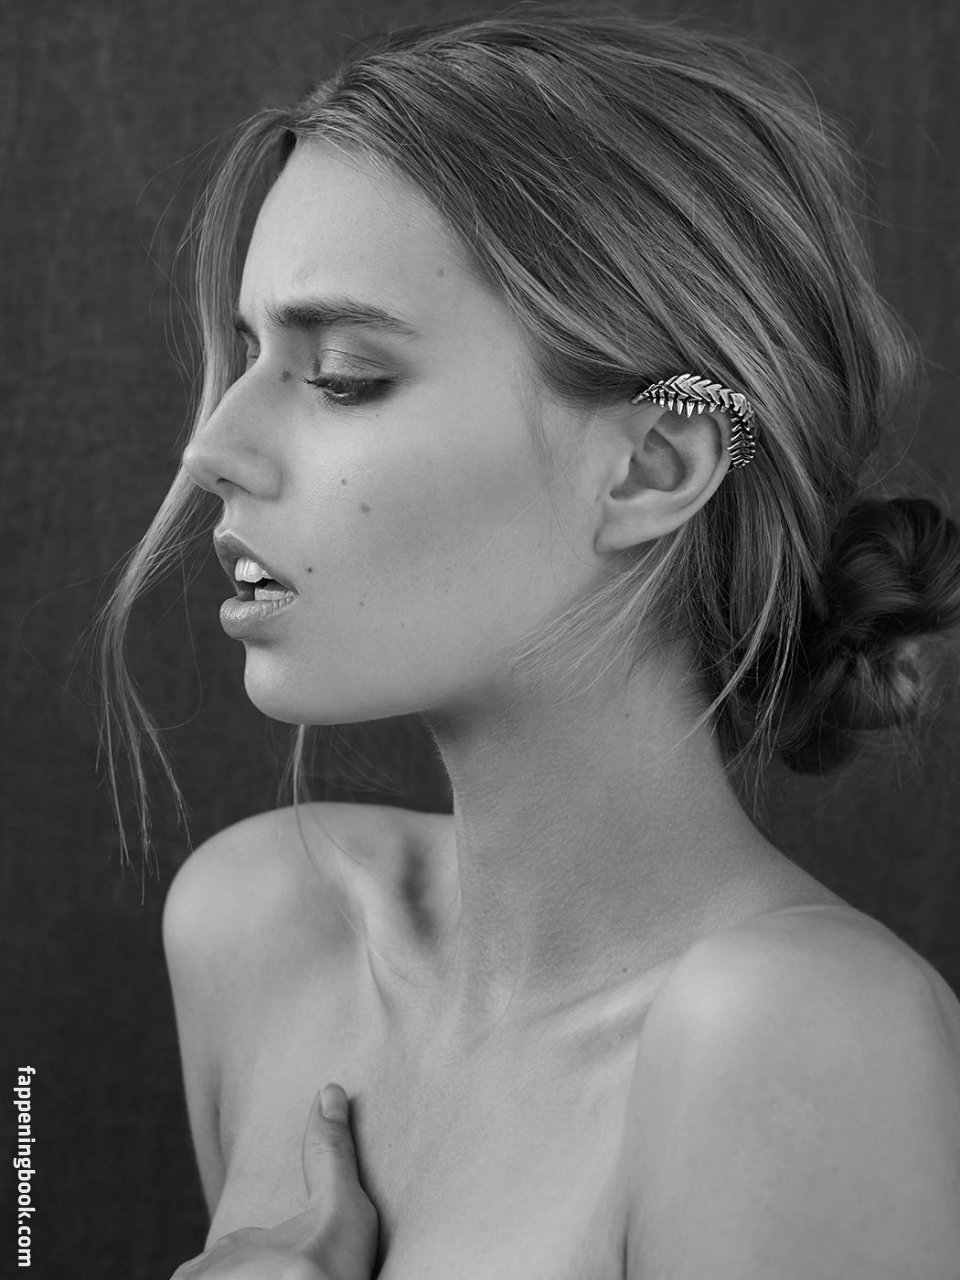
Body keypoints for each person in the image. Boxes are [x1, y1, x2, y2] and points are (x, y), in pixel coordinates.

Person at [96, 5, 960, 1277]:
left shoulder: (798, 1037)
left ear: (652, 466)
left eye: (342, 375)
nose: (212, 446)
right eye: (247, 355)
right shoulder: (266, 925)